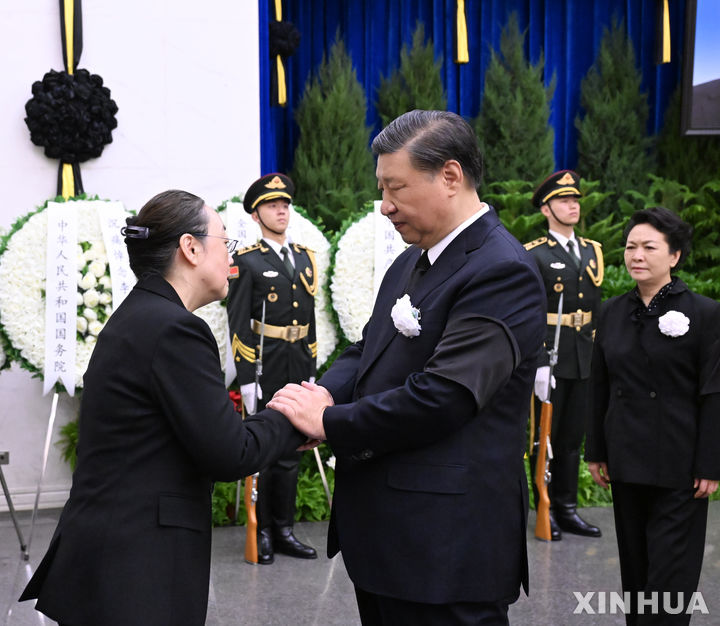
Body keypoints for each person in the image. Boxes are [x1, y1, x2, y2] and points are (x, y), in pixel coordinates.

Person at [268, 110, 546, 625]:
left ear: (450, 176)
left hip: (446, 549)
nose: (384, 206)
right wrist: (323, 396)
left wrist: (328, 424)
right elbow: (366, 349)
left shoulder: (500, 270)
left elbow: (445, 396)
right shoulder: (413, 258)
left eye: (396, 188)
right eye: (381, 188)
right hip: (391, 542)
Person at [19, 190, 305, 626]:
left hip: (111, 552)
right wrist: (295, 416)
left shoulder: (140, 314)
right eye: (224, 243)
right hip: (136, 567)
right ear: (190, 248)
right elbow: (230, 454)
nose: (231, 258)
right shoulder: (175, 329)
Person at [586, 207, 720, 623]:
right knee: (637, 573)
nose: (636, 255)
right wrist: (596, 450)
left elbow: (714, 392)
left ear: (674, 256)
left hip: (679, 464)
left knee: (670, 579)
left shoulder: (704, 313)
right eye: (630, 246)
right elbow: (600, 384)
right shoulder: (611, 312)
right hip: (627, 459)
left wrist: (710, 463)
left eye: (648, 247)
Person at [226, 173, 318, 564]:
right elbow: (237, 321)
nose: (281, 210)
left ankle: (284, 529)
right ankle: (261, 529)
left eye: (285, 204)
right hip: (264, 364)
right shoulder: (246, 261)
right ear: (256, 213)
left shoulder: (304, 255)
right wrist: (246, 378)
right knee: (265, 449)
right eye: (271, 205)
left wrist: (311, 366)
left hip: (297, 360)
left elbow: (310, 315)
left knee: (292, 448)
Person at [524, 169, 603, 540]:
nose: (573, 206)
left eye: (575, 200)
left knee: (572, 437)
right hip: (550, 356)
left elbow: (595, 309)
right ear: (546, 209)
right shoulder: (535, 254)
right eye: (563, 200)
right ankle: (546, 506)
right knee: (545, 437)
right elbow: (529, 313)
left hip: (582, 355)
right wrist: (539, 362)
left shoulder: (592, 251)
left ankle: (568, 507)